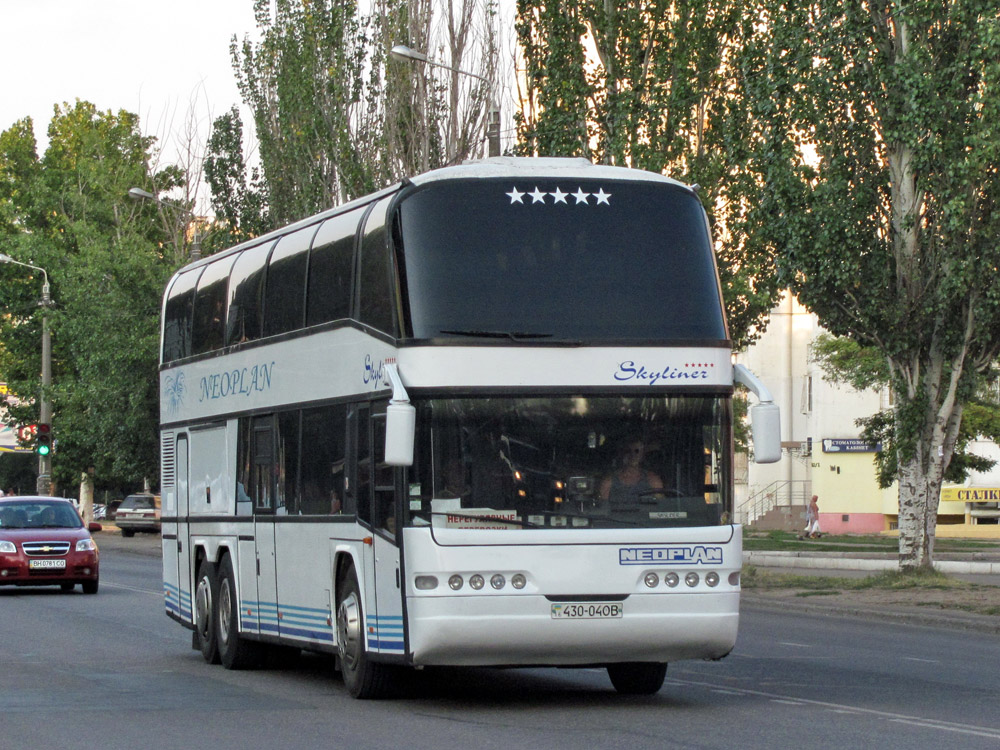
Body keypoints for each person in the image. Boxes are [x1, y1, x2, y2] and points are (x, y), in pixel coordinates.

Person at [598, 439, 663, 507]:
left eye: (636, 451)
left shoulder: (653, 481)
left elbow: (661, 509)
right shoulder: (609, 482)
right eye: (628, 451)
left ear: (642, 455)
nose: (632, 455)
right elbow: (603, 510)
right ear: (622, 454)